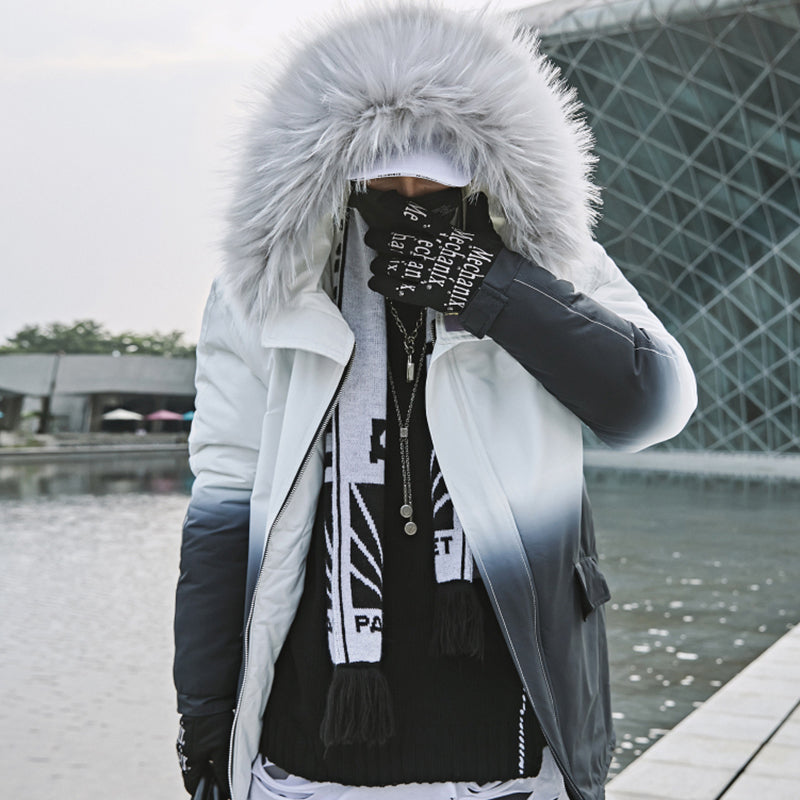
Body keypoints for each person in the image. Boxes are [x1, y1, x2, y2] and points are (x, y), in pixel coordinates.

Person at [173, 5, 697, 800]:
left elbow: (652, 407)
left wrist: (492, 289)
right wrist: (205, 707)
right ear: (339, 170)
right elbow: (223, 499)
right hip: (310, 742)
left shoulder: (552, 264)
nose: (411, 194)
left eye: (436, 176)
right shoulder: (271, 288)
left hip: (510, 735)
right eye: (386, 178)